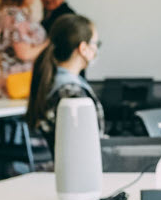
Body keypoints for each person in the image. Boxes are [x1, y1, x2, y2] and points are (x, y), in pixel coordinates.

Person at [25, 14, 103, 145]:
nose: (96, 48)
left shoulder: (55, 81)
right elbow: (84, 145)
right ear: (83, 48)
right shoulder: (71, 92)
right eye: (96, 43)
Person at [0, 0, 48, 97]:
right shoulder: (16, 16)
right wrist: (48, 44)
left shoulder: (4, 13)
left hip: (7, 79)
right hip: (16, 82)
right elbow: (24, 53)